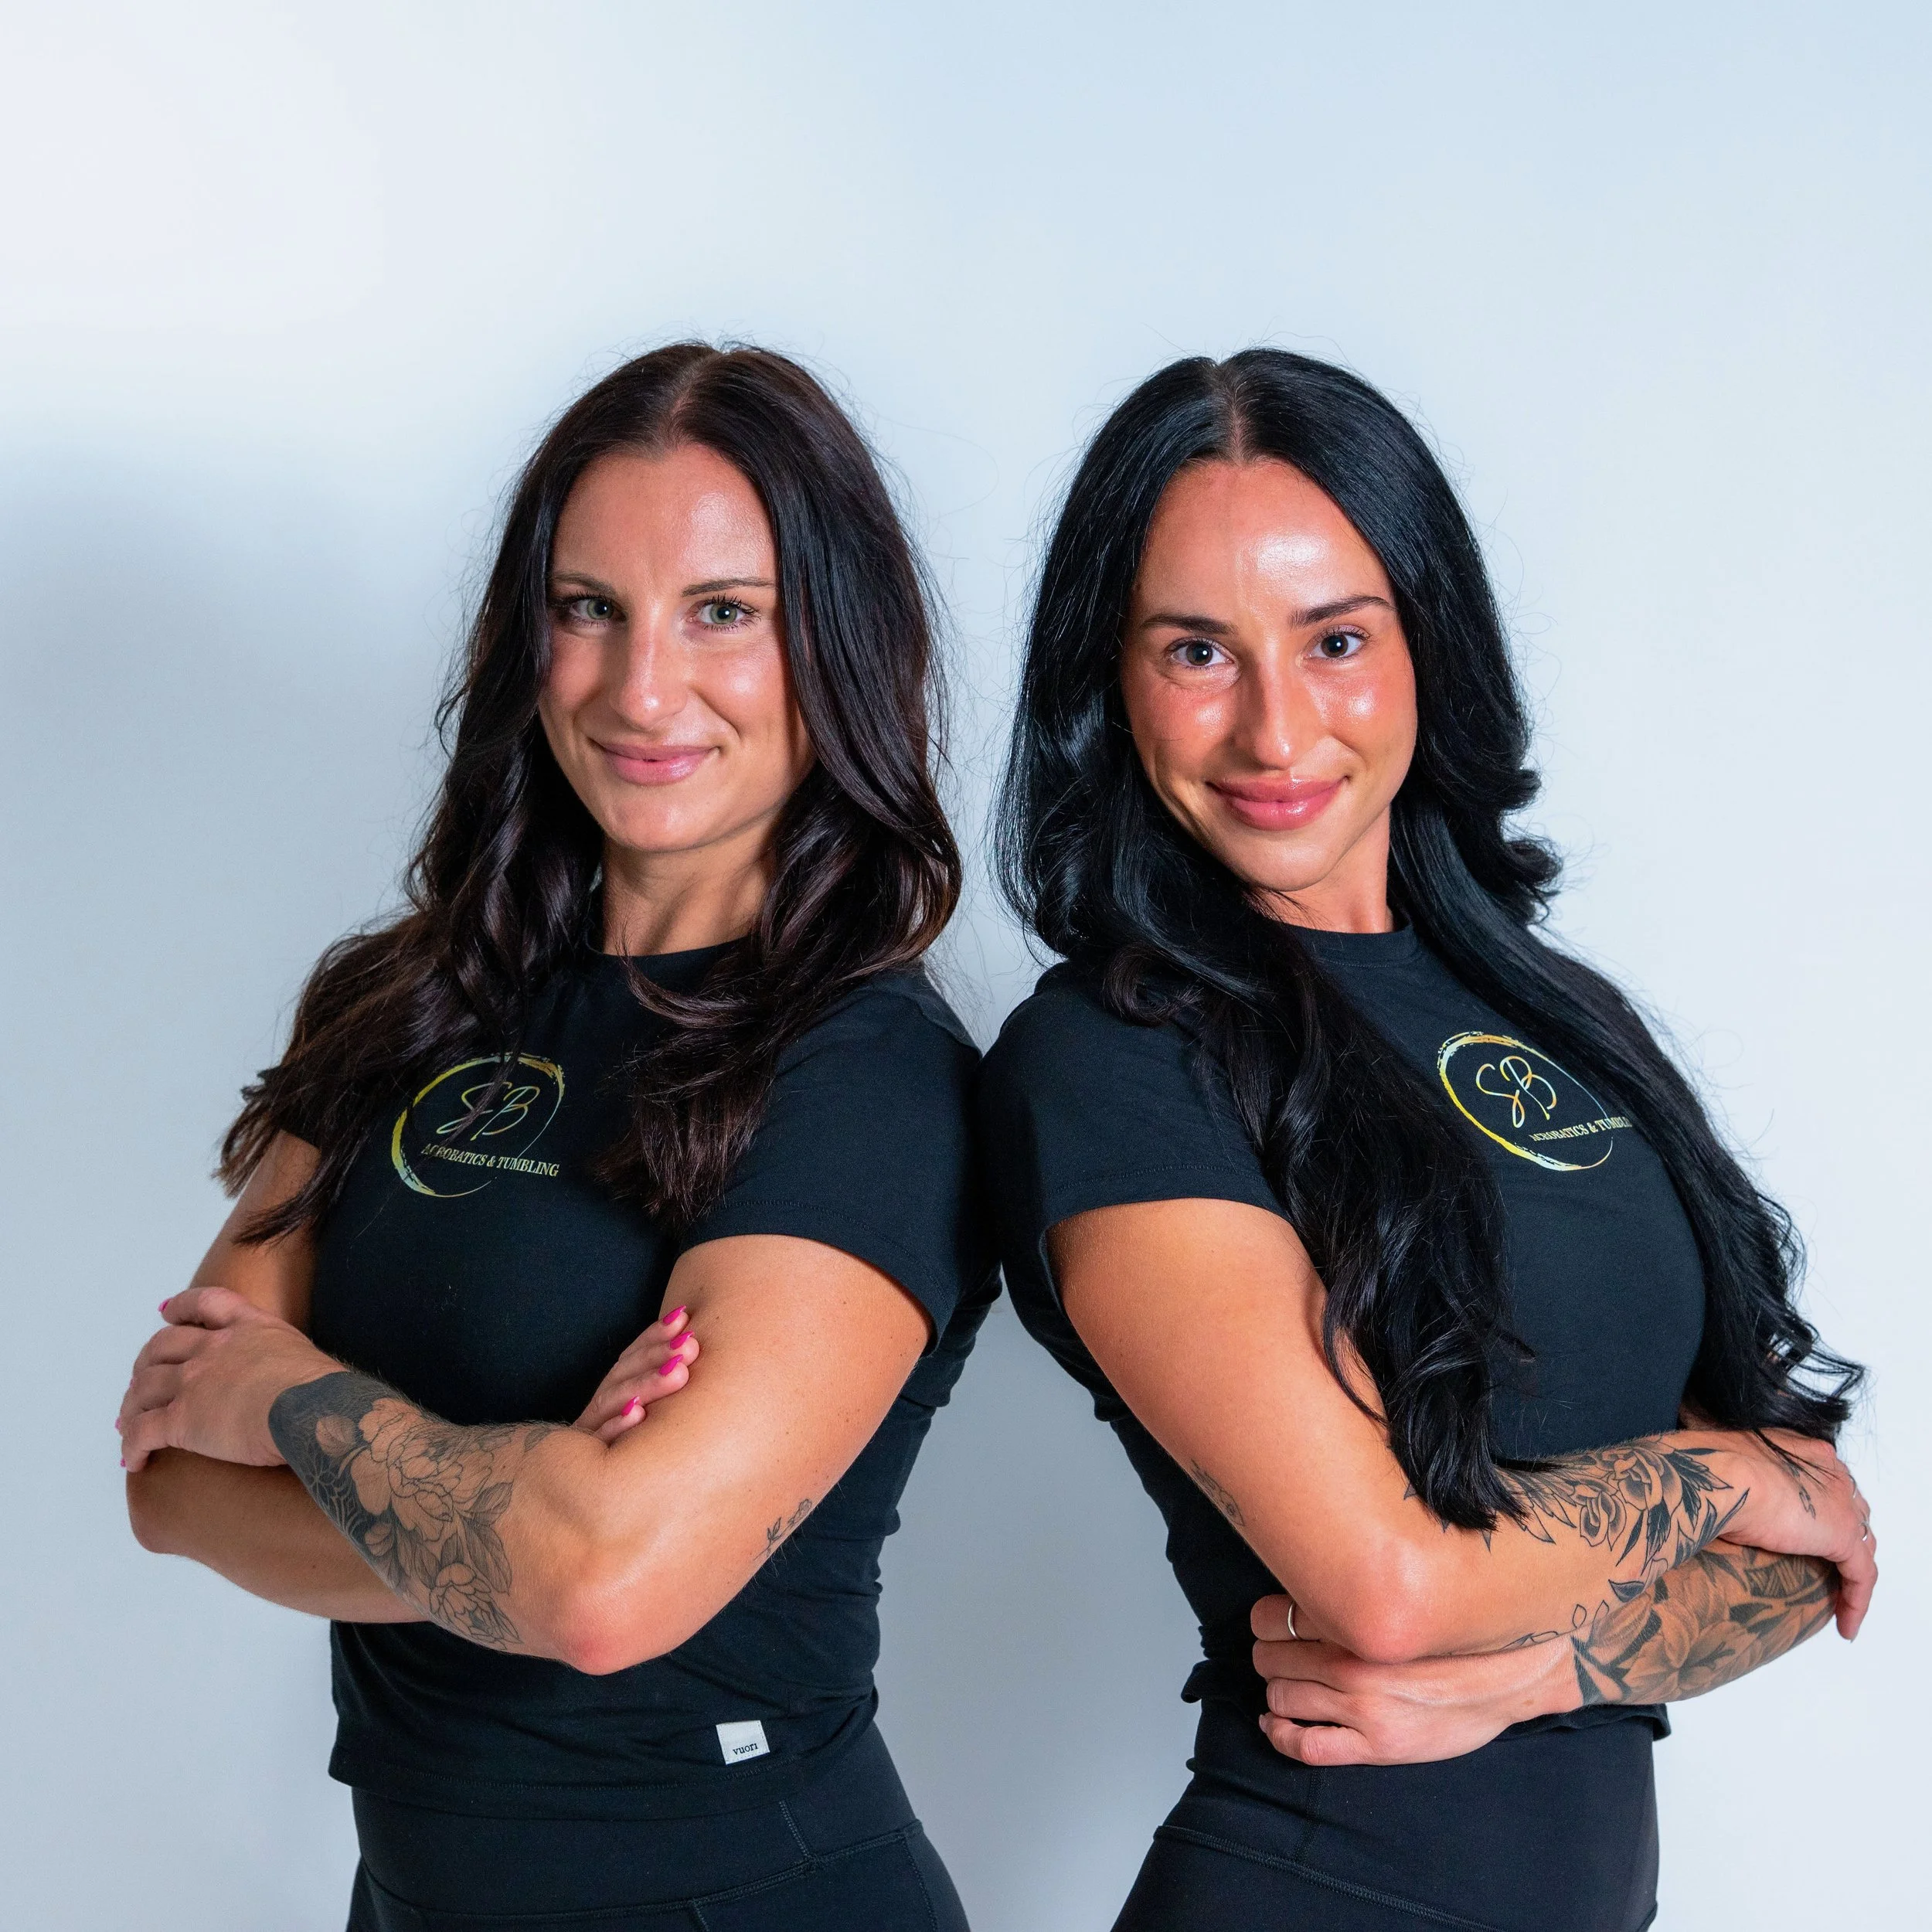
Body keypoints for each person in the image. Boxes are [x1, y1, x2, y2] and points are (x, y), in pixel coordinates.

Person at [978, 349, 1875, 1931]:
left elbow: (1814, 1564)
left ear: (1424, 644)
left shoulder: (1558, 1012)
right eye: (1196, 650)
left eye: (1335, 639)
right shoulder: (1113, 1059)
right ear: (1108, 683)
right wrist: (1738, 1472)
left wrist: (1535, 1670)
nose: (1274, 728)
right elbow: (1386, 1586)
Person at [119, 343, 992, 1932]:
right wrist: (514, 1508)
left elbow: (602, 1588)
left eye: (722, 612)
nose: (640, 689)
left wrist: (292, 1396)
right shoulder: (403, 1003)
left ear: (838, 640)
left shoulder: (868, 1076)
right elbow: (170, 1472)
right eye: (589, 608)